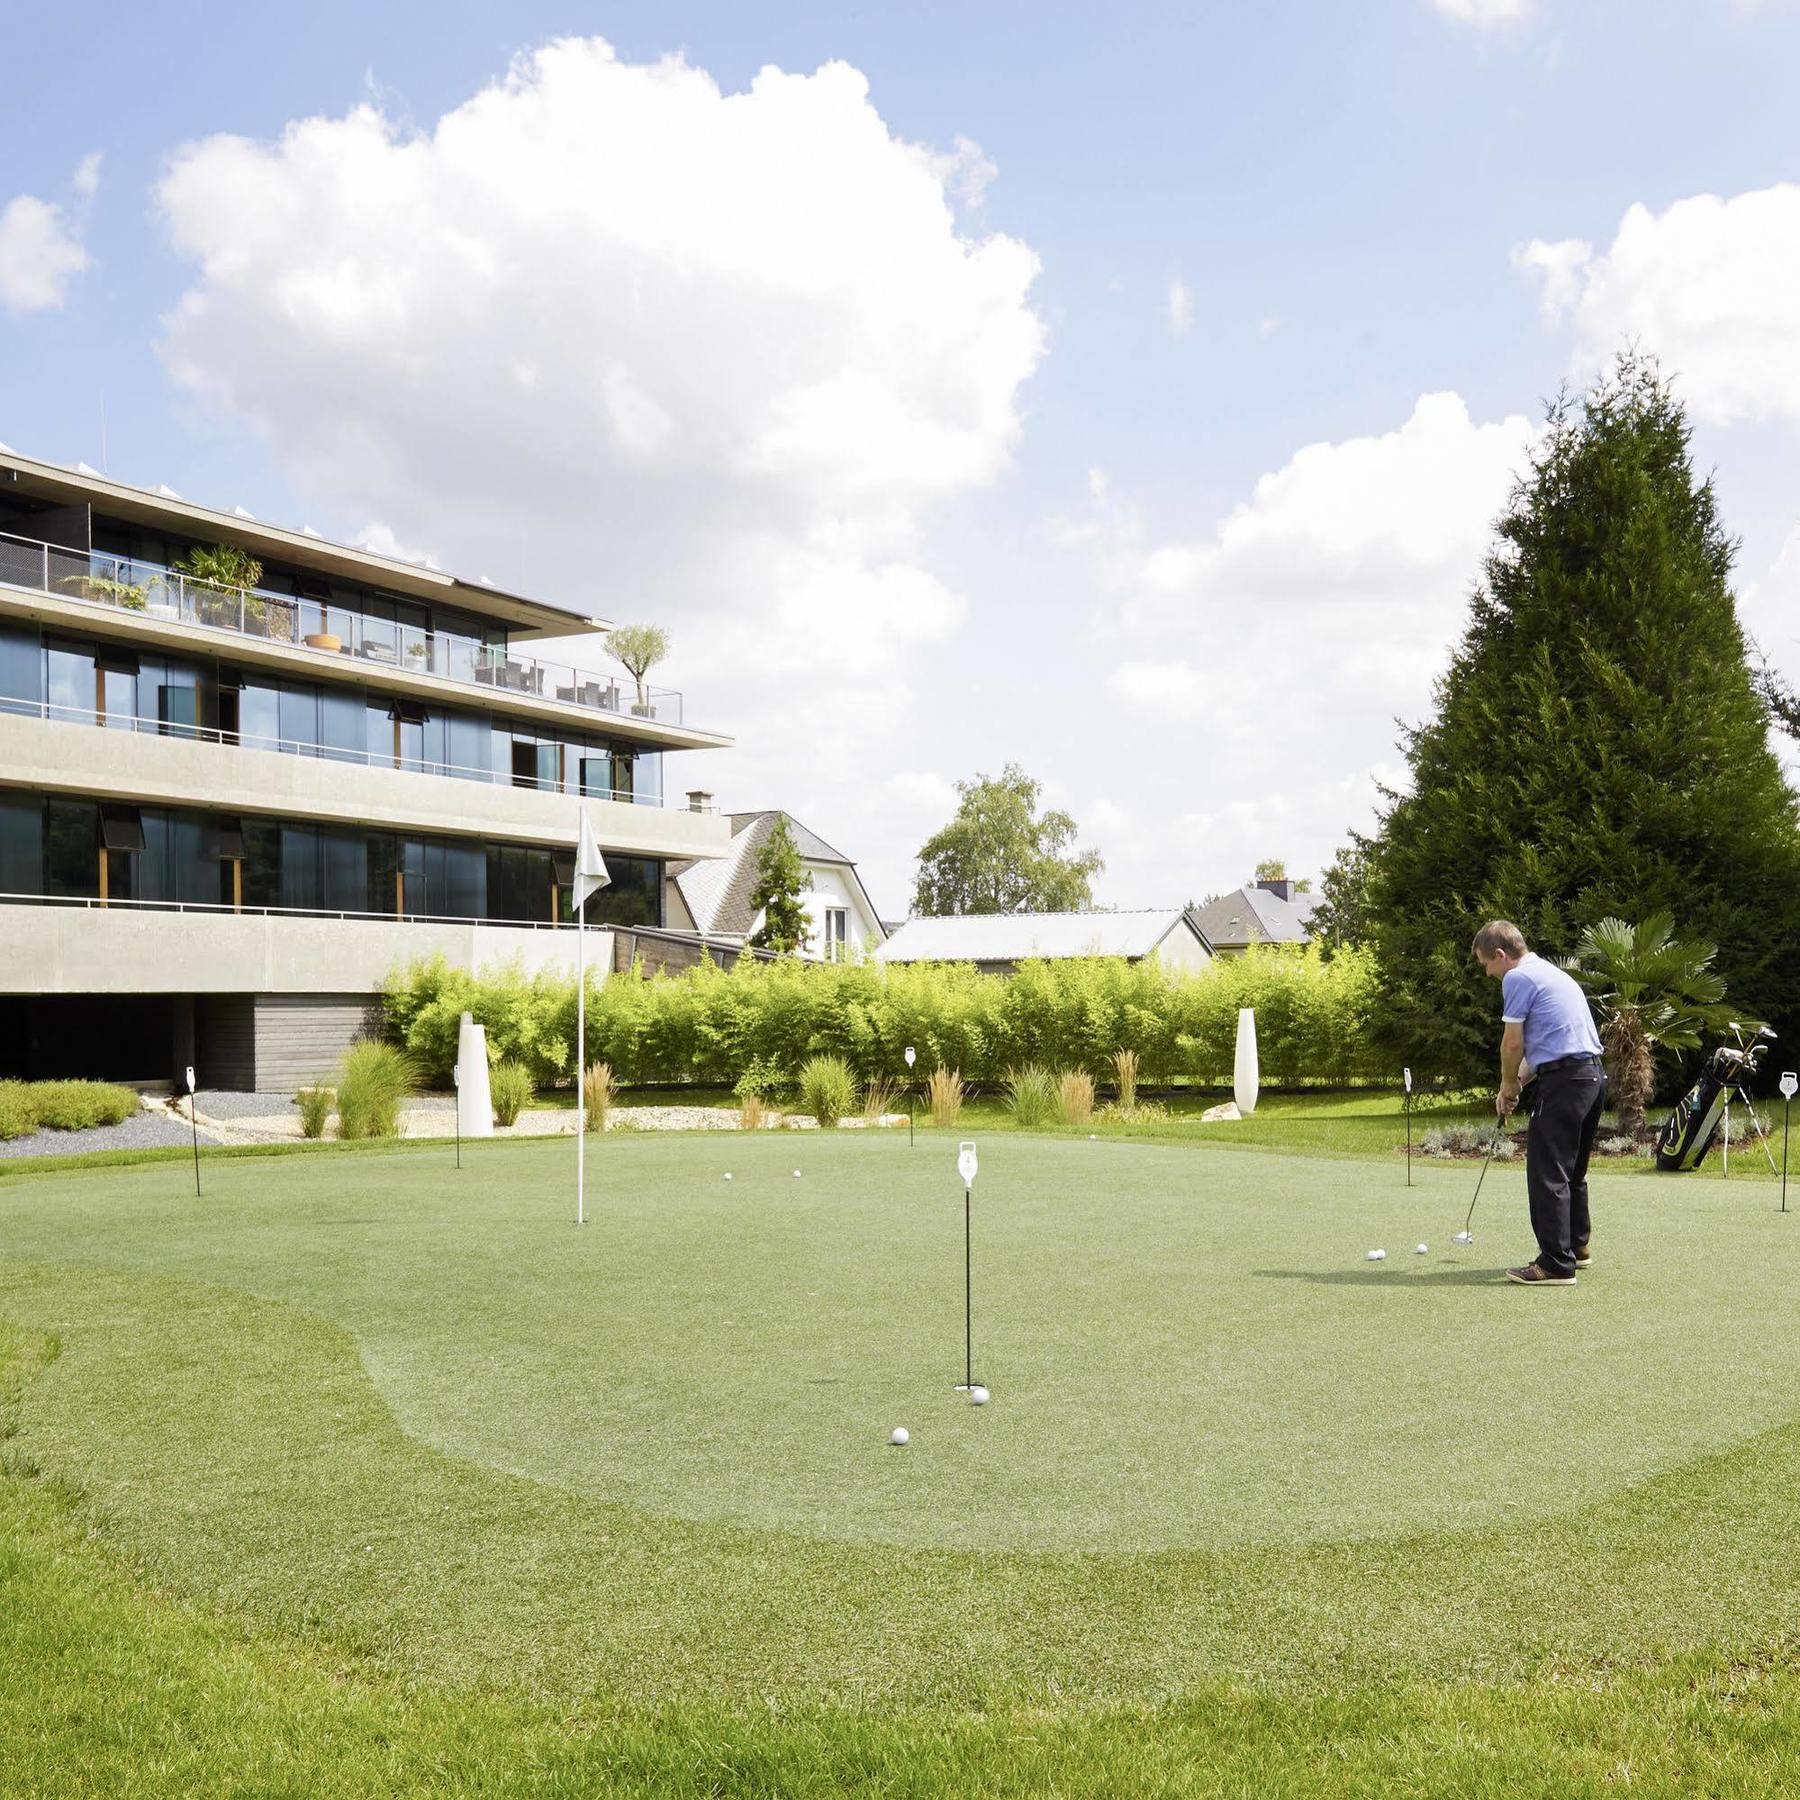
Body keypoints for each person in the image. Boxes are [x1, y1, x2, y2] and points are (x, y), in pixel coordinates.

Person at [1471, 920, 1607, 1286]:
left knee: (1547, 1172)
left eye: (1487, 964)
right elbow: (1548, 1049)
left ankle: (1554, 1264)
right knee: (1571, 1170)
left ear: (1501, 955)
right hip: (1591, 1077)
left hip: (1566, 1082)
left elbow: (1512, 1044)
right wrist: (1513, 1087)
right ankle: (1576, 1249)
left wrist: (1506, 1082)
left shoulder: (1517, 979)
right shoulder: (1549, 972)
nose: (1488, 973)